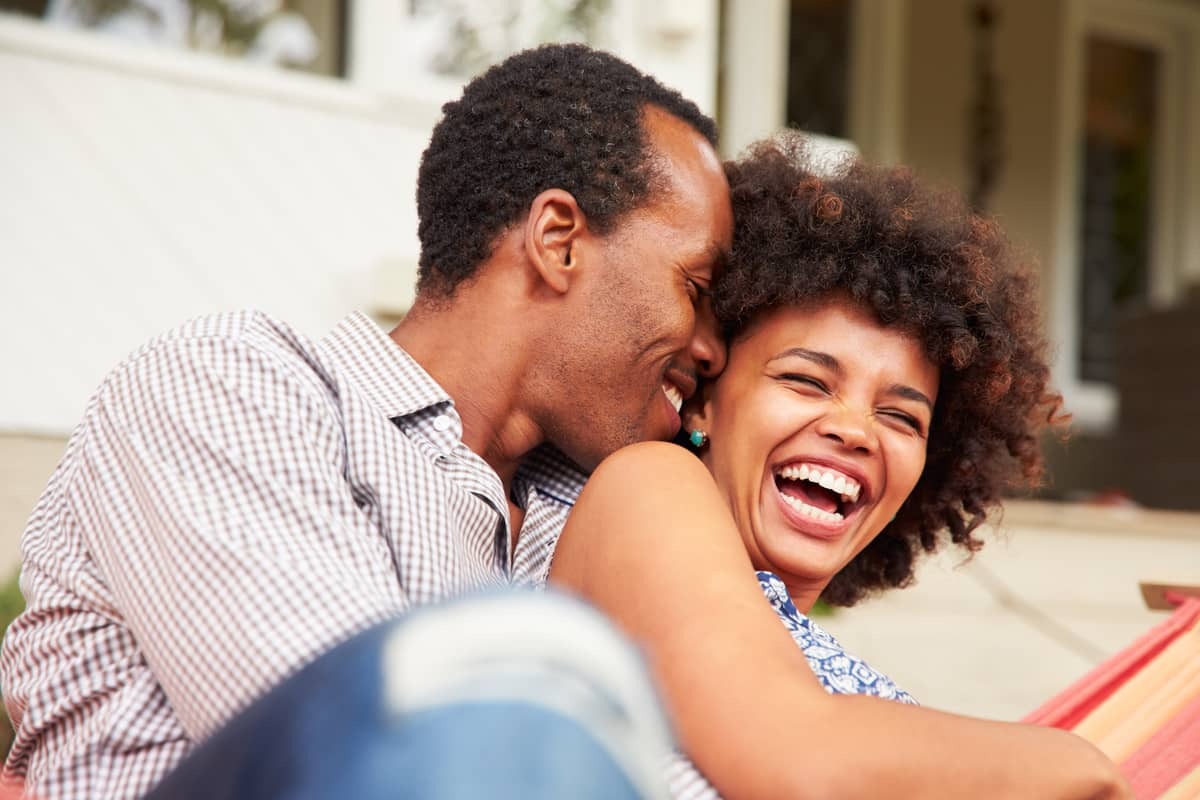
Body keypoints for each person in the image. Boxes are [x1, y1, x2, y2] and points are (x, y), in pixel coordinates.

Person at [0, 43, 731, 799]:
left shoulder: (588, 512)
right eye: (697, 287)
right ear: (558, 241)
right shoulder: (234, 383)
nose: (711, 348)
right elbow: (369, 750)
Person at [549, 136, 1133, 799]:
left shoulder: (830, 682)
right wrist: (1085, 766)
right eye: (807, 381)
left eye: (901, 417)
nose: (855, 430)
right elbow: (799, 761)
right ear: (707, 401)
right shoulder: (646, 486)